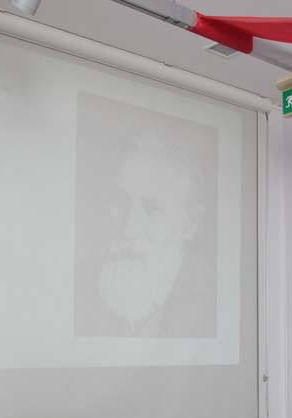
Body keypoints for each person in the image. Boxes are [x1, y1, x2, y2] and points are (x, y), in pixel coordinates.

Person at [74, 129, 216, 338]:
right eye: (120, 199)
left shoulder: (219, 300)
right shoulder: (75, 280)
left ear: (190, 225)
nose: (128, 229)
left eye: (152, 209)